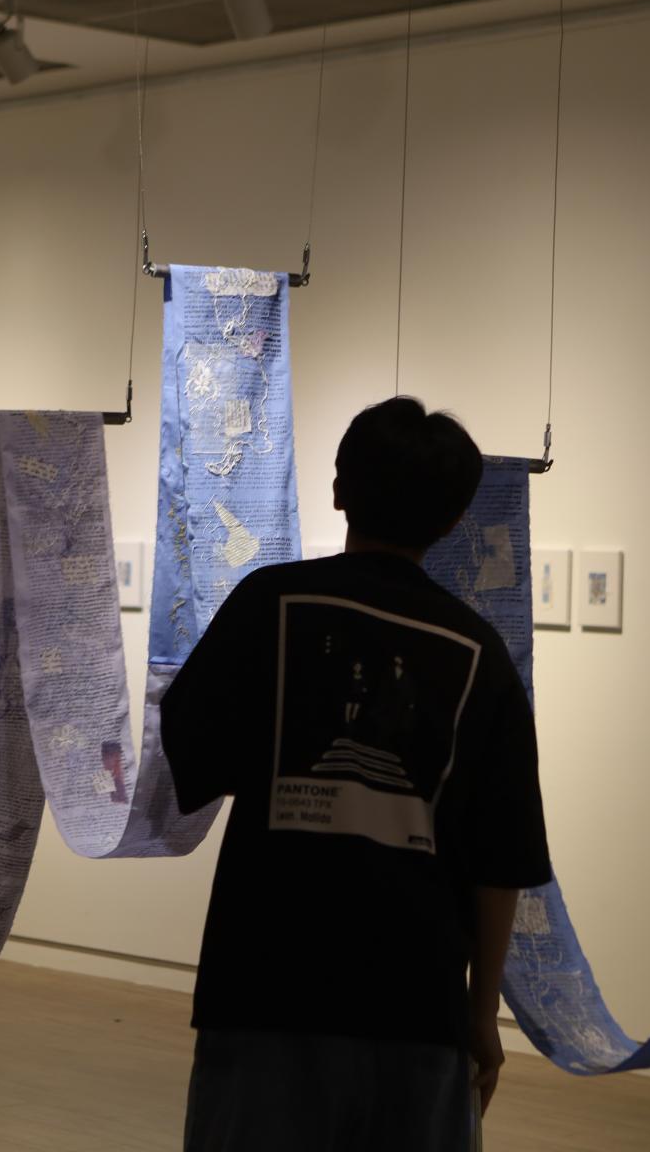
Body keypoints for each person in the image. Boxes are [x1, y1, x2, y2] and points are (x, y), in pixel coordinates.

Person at [160, 397, 553, 1152]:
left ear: (340, 488)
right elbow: (500, 861)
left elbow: (195, 751)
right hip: (418, 1006)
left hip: (264, 989)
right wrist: (481, 1019)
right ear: (453, 520)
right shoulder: (480, 654)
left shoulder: (269, 603)